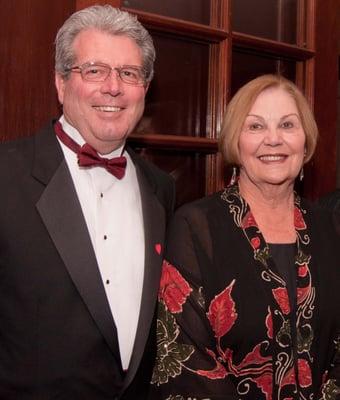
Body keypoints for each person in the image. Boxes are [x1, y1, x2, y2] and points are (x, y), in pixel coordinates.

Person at [0, 5, 175, 399]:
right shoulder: (6, 178)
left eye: (129, 73)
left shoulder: (162, 189)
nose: (113, 87)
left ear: (144, 88)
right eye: (94, 70)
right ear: (61, 83)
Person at [149, 75, 340, 400]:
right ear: (235, 142)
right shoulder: (196, 228)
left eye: (288, 125)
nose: (273, 139)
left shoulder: (328, 227)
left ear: (305, 142)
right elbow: (183, 356)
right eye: (255, 127)